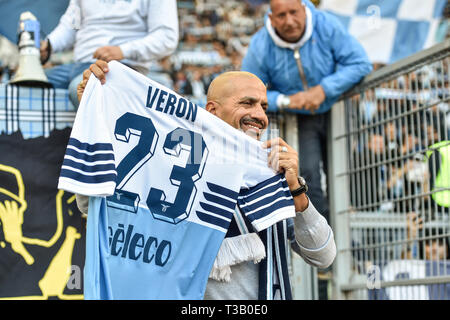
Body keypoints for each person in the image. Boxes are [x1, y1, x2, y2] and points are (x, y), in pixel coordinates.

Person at [75, 59, 336, 300]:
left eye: (263, 106)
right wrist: (97, 113)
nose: (260, 115)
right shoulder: (175, 163)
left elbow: (323, 256)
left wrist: (297, 193)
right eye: (247, 103)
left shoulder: (272, 173)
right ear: (212, 110)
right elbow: (91, 204)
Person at [240, 0, 372, 299]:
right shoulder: (262, 44)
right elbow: (248, 90)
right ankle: (328, 249)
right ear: (270, 18)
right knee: (309, 173)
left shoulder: (325, 24)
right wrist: (287, 101)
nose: (288, 21)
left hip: (337, 107)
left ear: (305, 10)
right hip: (302, 119)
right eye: (281, 15)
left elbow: (360, 62)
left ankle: (354, 244)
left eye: (293, 13)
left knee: (349, 176)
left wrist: (323, 89)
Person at [40, 0, 179, 108]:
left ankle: (99, 144)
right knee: (24, 85)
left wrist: (123, 51)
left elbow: (167, 36)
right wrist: (49, 45)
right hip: (77, 65)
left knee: (86, 90)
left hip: (123, 67)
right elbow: (70, 25)